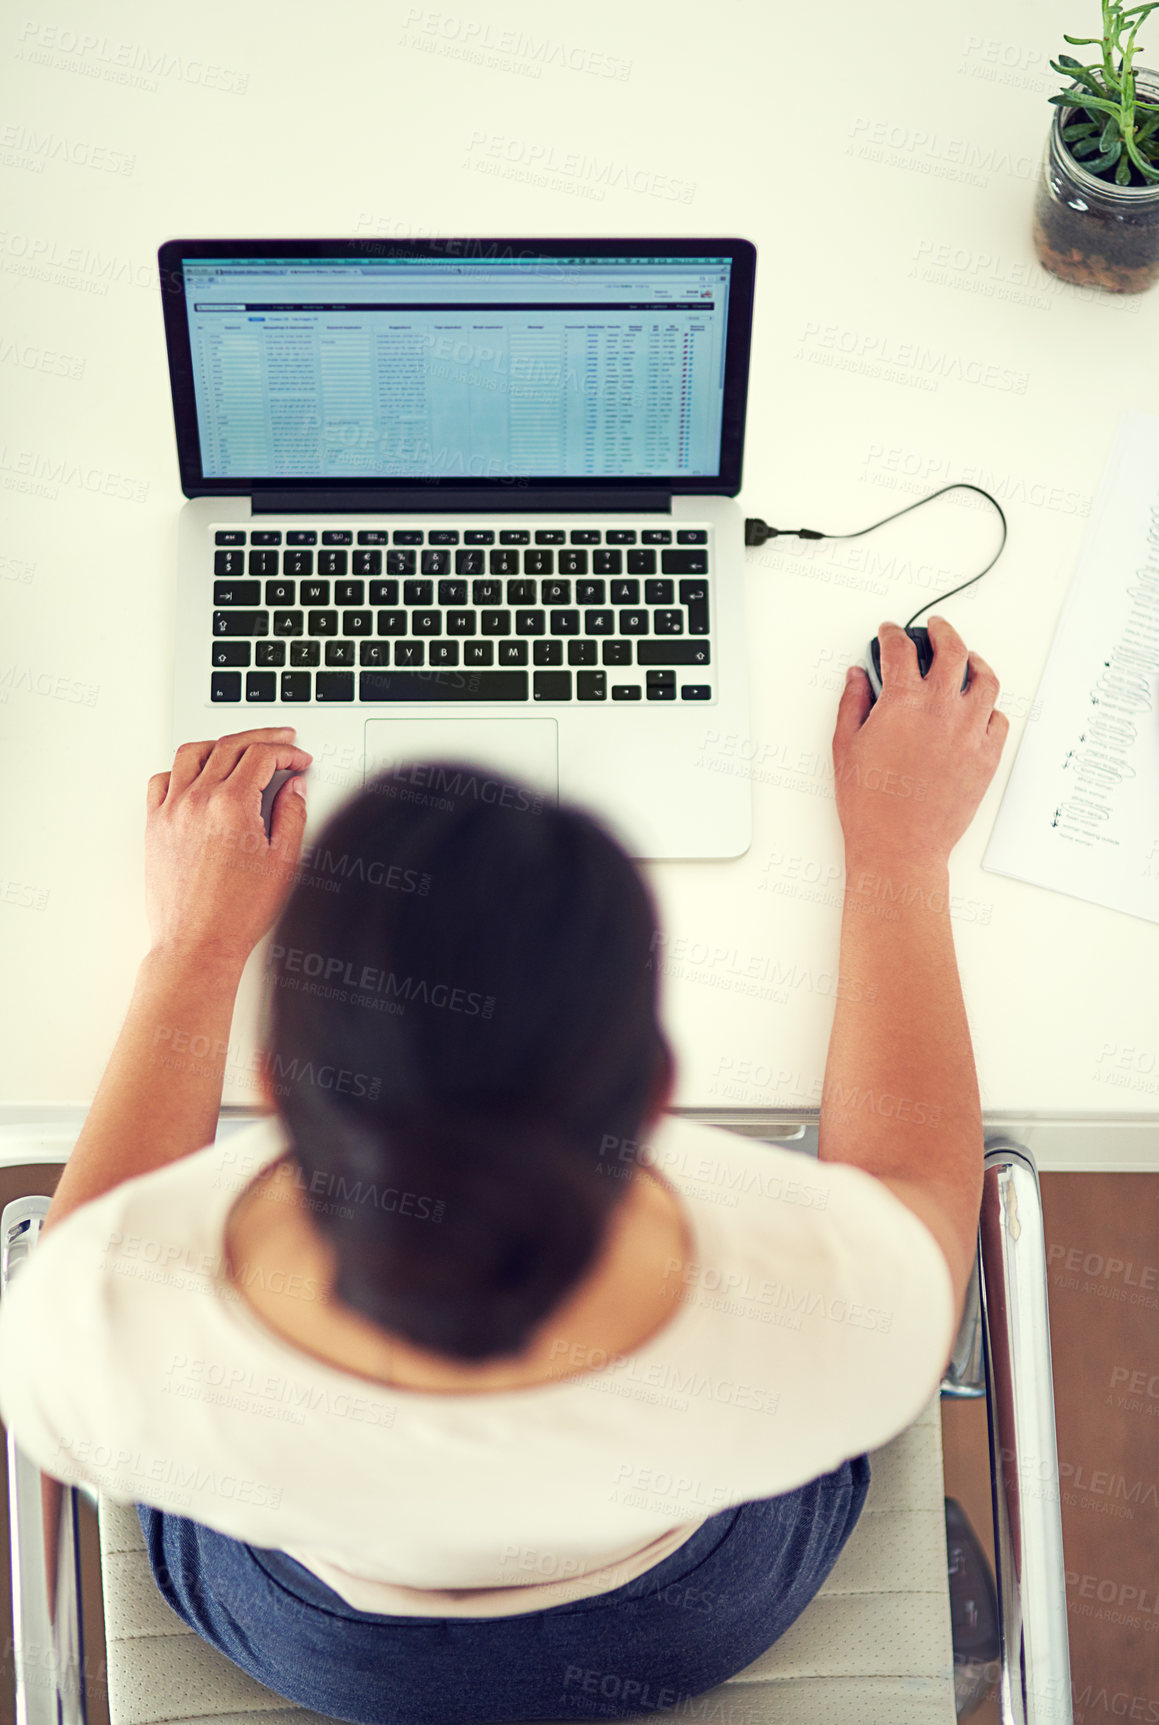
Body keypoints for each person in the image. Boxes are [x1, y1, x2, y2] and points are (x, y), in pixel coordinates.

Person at [0, 616, 1008, 1725]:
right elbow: (921, 1194)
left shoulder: (95, 1325)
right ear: (659, 1088)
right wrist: (901, 855)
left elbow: (85, 1260)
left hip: (332, 1644)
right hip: (680, 1614)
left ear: (277, 1081)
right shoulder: (827, 1297)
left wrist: (192, 950)